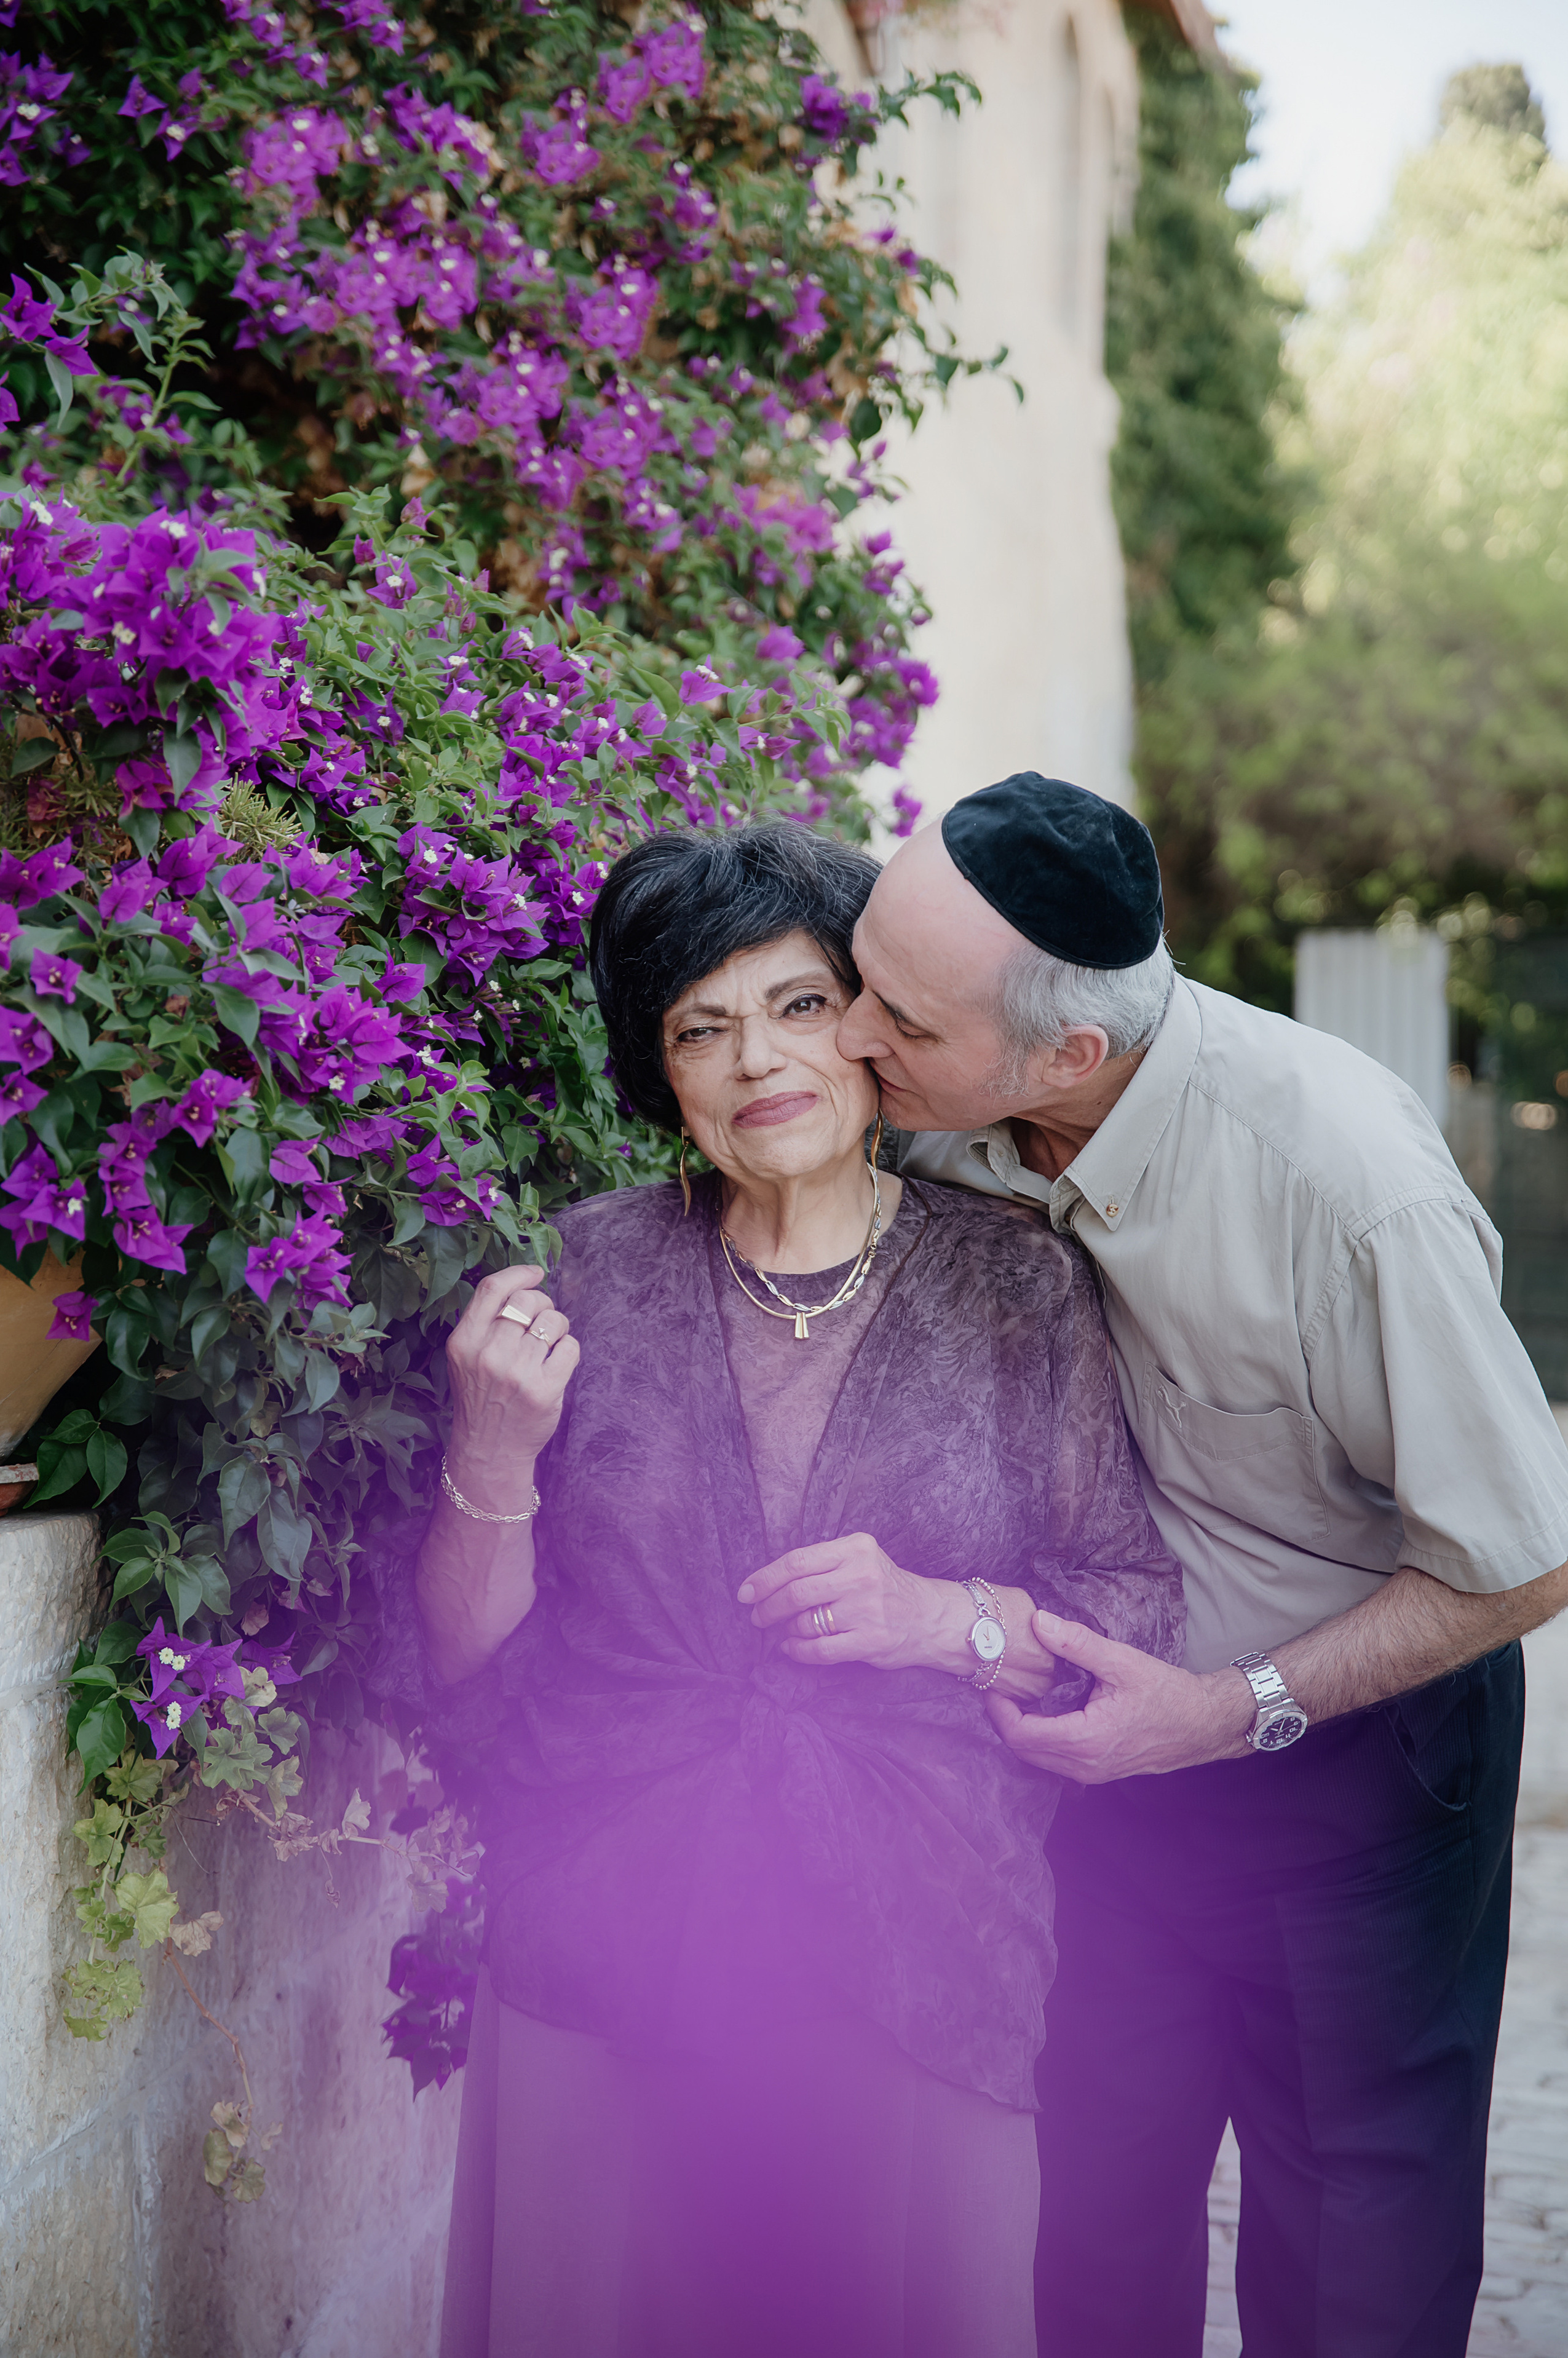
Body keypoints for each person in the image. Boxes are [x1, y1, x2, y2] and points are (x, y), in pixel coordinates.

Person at [376, 820, 1184, 2358]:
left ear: (871, 1030)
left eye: (799, 1004)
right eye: (701, 1024)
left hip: (923, 1948)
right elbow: (473, 1668)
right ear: (658, 1071)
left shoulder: (1014, 1283)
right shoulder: (579, 1278)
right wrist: (491, 1451)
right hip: (603, 1944)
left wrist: (939, 1619)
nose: (760, 1058)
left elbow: (1129, 1613)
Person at [837, 769, 1568, 2358]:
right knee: (1095, 2218)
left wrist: (1224, 1711)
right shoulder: (952, 1126)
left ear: (1072, 1052)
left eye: (895, 1016)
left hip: (1357, 1751)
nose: (847, 1038)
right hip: (1096, 1759)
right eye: (856, 979)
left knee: (1353, 2245)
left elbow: (1523, 1558)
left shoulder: (1344, 1182)